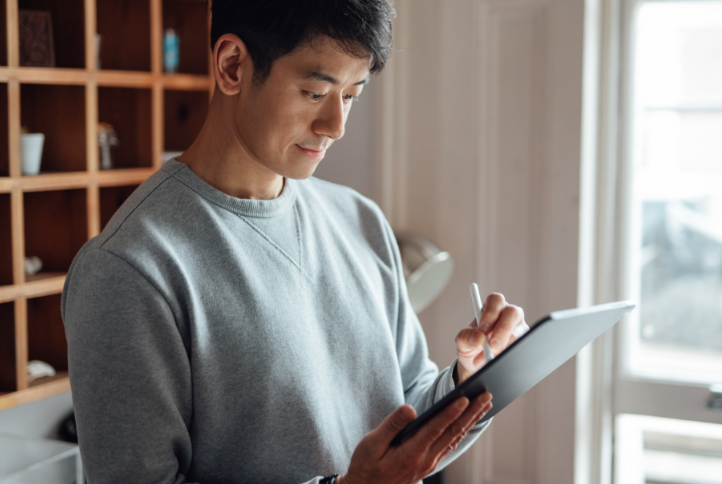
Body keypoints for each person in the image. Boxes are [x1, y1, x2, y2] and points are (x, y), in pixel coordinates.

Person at [61, 1, 527, 483]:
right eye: (315, 92)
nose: (336, 126)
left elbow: (407, 407)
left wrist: (468, 382)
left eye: (351, 95)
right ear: (232, 66)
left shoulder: (359, 220)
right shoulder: (128, 269)